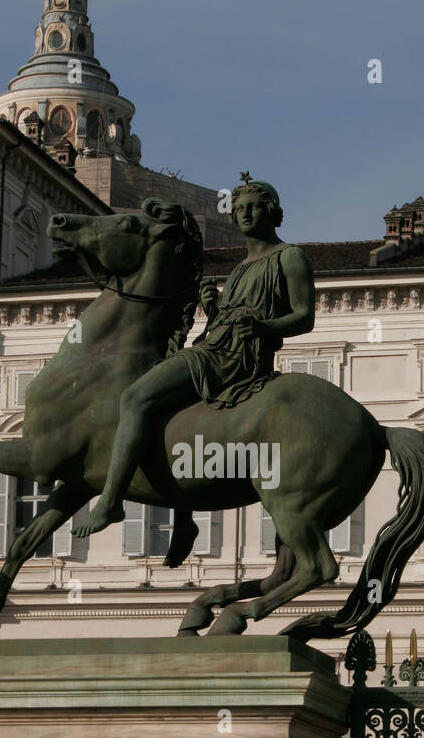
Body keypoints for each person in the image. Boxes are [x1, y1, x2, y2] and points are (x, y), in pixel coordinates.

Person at [74, 174, 315, 539]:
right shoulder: (239, 268)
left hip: (232, 359)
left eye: (253, 207)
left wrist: (265, 328)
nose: (245, 214)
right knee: (174, 420)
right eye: (239, 210)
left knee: (135, 398)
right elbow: (228, 319)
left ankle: (110, 502)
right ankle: (184, 520)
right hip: (213, 346)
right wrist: (213, 308)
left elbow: (305, 317)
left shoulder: (289, 257)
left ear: (271, 213)